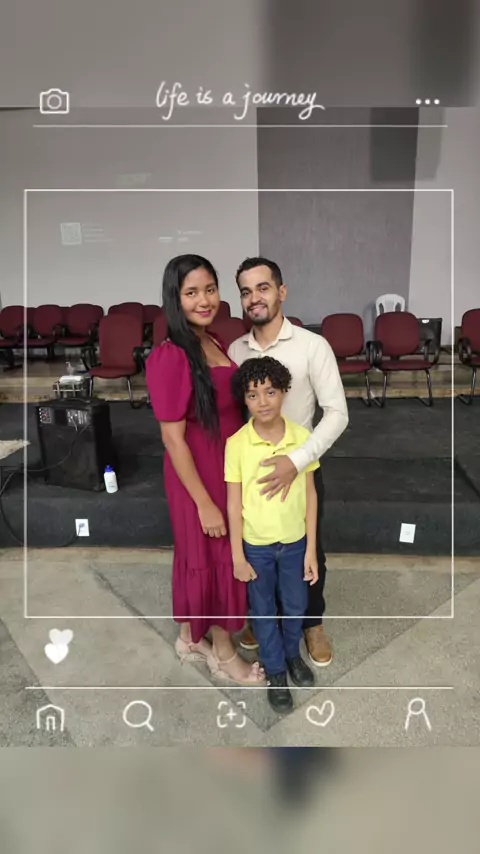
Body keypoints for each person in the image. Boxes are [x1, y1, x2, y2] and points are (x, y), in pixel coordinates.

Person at [146, 254, 264, 685]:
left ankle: (189, 638)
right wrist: (204, 503)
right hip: (197, 473)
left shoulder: (212, 341)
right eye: (191, 292)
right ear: (175, 299)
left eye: (210, 289)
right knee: (212, 555)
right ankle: (224, 653)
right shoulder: (171, 355)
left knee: (201, 554)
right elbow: (172, 438)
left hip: (225, 466)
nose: (204, 300)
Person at [228, 257, 349, 667]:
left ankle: (311, 623)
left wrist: (296, 460)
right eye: (246, 291)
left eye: (263, 288)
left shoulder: (312, 346)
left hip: (302, 467)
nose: (254, 298)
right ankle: (265, 619)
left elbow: (337, 413)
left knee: (308, 549)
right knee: (259, 548)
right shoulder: (236, 350)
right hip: (253, 473)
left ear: (281, 291)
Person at [225, 356, 319, 713]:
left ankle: (291, 654)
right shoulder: (237, 444)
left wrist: (311, 549)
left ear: (284, 392)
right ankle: (276, 669)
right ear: (244, 400)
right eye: (252, 395)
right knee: (263, 611)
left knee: (295, 606)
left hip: (295, 543)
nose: (262, 401)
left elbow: (310, 494)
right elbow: (233, 503)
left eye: (270, 392)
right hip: (257, 547)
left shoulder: (302, 438)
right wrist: (238, 555)